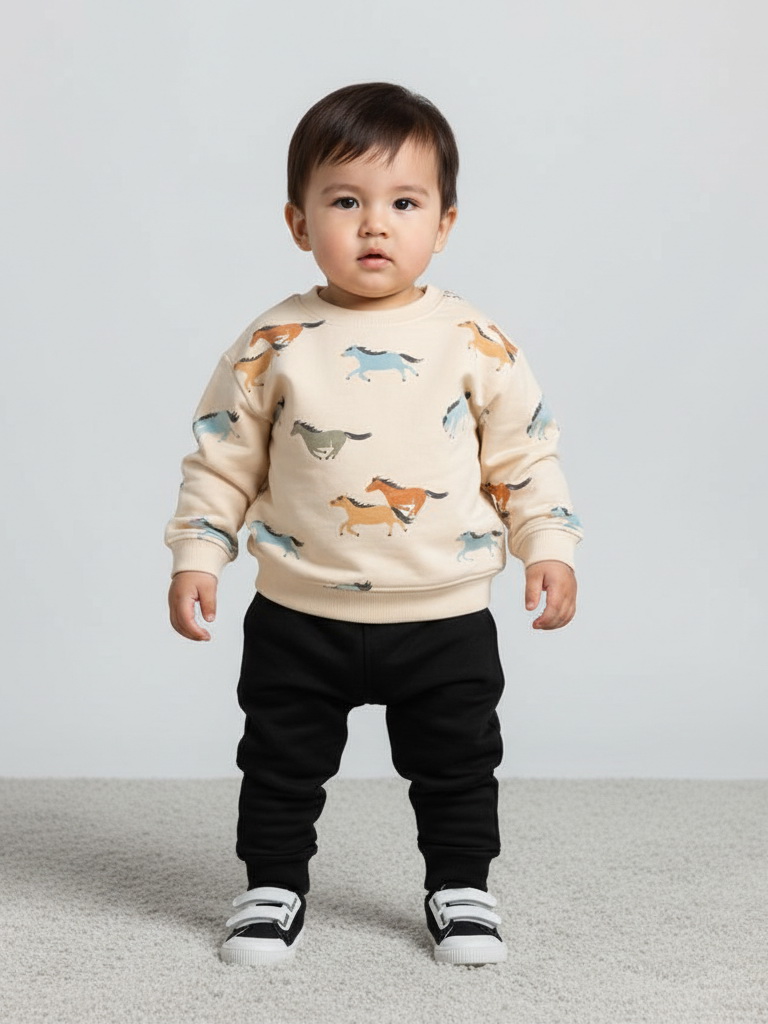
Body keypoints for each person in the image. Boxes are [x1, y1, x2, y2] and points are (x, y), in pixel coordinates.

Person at [164, 81, 583, 968]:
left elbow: (525, 455)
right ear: (298, 222)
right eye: (346, 202)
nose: (375, 226)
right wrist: (199, 552)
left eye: (404, 203)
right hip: (299, 612)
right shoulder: (273, 341)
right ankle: (271, 885)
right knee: (278, 761)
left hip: (443, 614)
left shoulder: (474, 339)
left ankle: (461, 886)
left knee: (458, 763)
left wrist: (547, 545)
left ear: (445, 222)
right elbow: (223, 458)